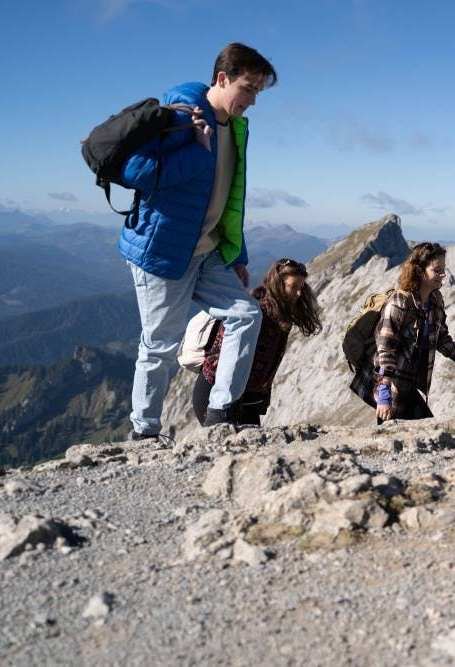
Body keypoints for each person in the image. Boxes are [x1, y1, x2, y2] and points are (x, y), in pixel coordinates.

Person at [118, 43, 277, 437]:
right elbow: (134, 171)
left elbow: (231, 193)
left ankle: (222, 412)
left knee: (246, 314)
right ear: (222, 79)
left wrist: (237, 252)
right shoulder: (181, 114)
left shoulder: (235, 126)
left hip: (206, 253)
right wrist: (198, 154)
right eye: (249, 88)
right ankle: (144, 431)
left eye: (258, 91)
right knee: (159, 344)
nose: (253, 100)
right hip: (164, 253)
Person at [350, 242, 455, 423]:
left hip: (408, 384)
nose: (443, 275)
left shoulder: (435, 300)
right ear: (420, 271)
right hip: (389, 383)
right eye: (437, 270)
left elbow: (442, 338)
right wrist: (384, 395)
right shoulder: (400, 302)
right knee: (398, 434)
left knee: (422, 428)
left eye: (443, 269)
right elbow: (385, 349)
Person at [193, 258, 322, 426]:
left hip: (244, 398)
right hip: (215, 392)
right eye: (293, 287)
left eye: (301, 288)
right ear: (278, 284)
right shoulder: (257, 313)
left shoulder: (279, 315)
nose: (299, 294)